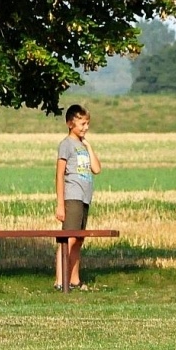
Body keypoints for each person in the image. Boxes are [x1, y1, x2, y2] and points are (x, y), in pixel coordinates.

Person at [54, 104, 100, 291]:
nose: (85, 127)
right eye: (82, 124)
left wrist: (88, 145)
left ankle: (74, 279)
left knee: (79, 239)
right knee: (68, 239)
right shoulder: (66, 145)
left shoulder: (82, 146)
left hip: (84, 197)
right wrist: (60, 204)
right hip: (72, 196)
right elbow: (59, 174)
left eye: (87, 123)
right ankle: (59, 280)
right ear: (70, 123)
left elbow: (96, 169)